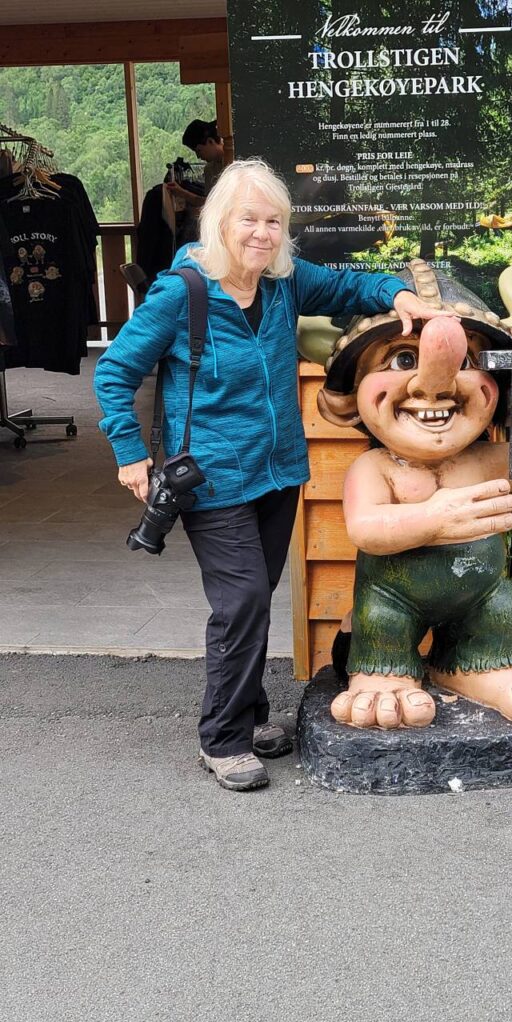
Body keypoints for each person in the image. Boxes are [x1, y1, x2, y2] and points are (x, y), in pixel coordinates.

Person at [93, 158, 441, 792]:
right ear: (221, 222)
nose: (262, 232)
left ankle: (250, 716)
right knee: (243, 600)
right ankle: (222, 740)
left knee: (255, 598)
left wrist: (399, 295)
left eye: (274, 221)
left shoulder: (282, 284)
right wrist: (128, 453)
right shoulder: (183, 293)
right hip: (213, 479)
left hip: (278, 473)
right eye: (249, 219)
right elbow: (114, 372)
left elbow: (346, 287)